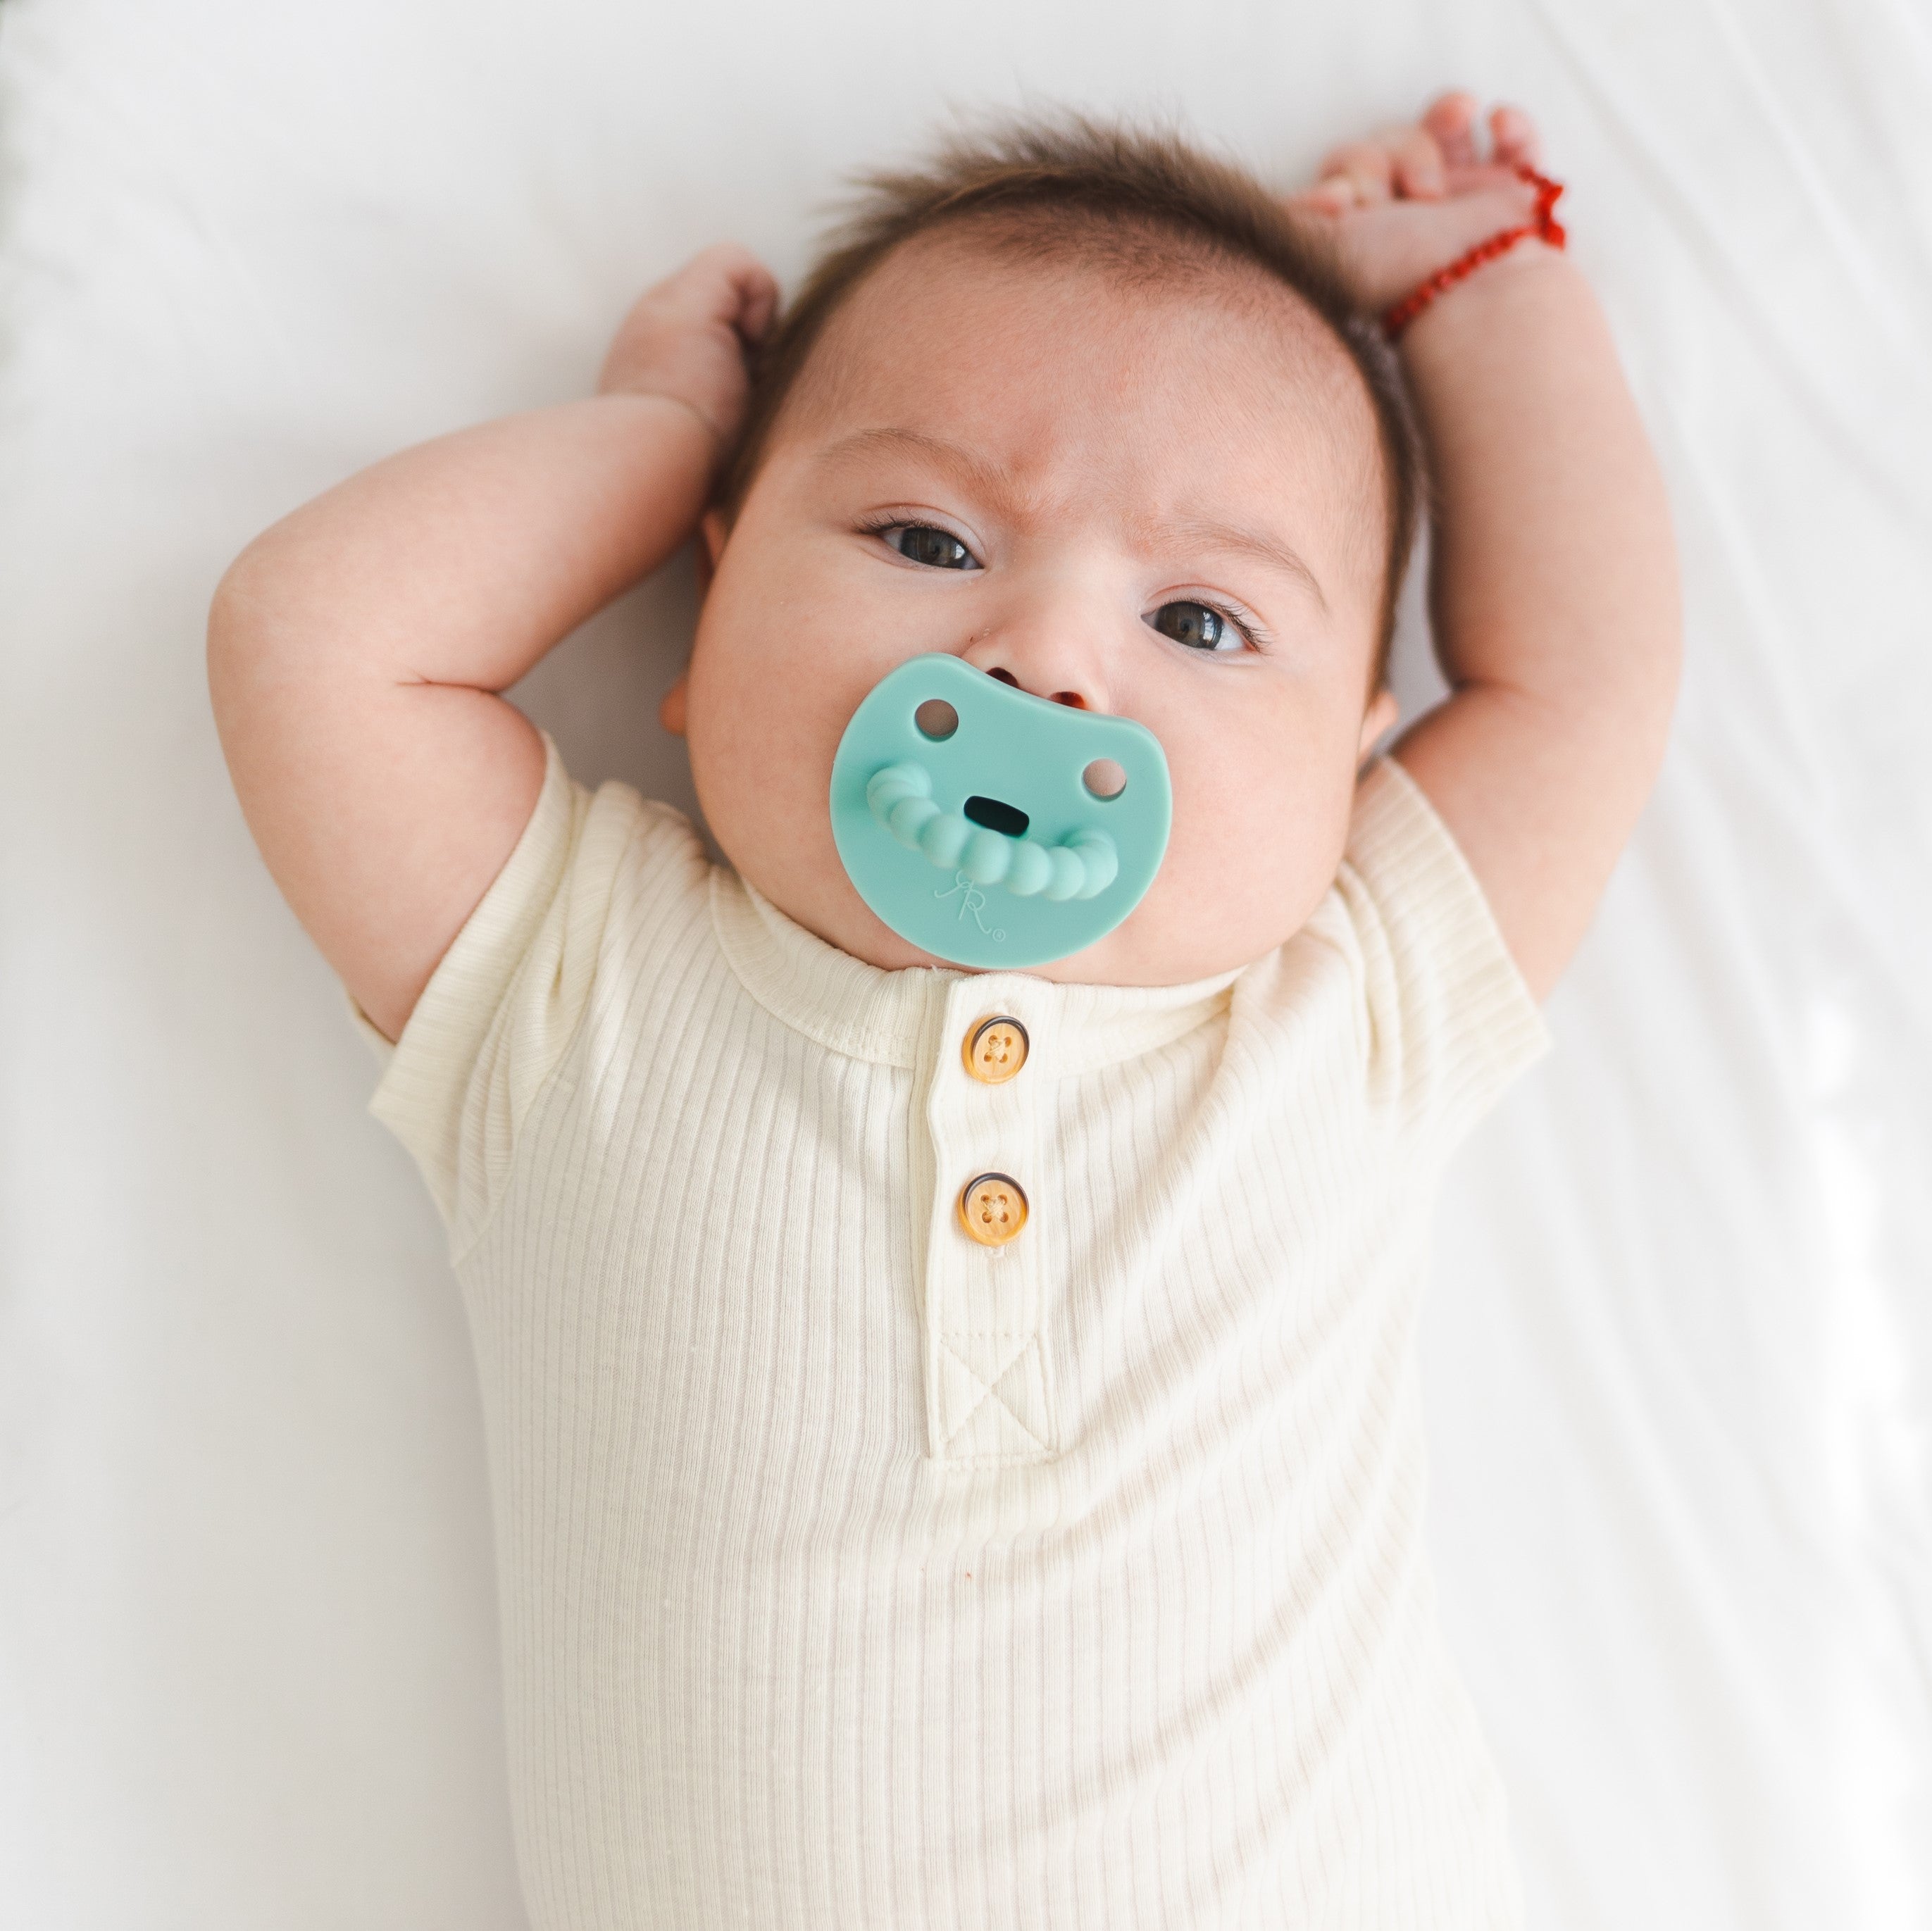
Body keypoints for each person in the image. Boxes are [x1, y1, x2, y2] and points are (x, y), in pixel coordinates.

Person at [206, 87, 1680, 1930]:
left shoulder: (1353, 1006)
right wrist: (659, 438)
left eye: (1201, 623)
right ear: (706, 611)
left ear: (1349, 774)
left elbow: (1580, 682)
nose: (1044, 656)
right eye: (924, 538)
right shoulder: (568, 986)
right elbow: (316, 644)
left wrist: (1488, 288)